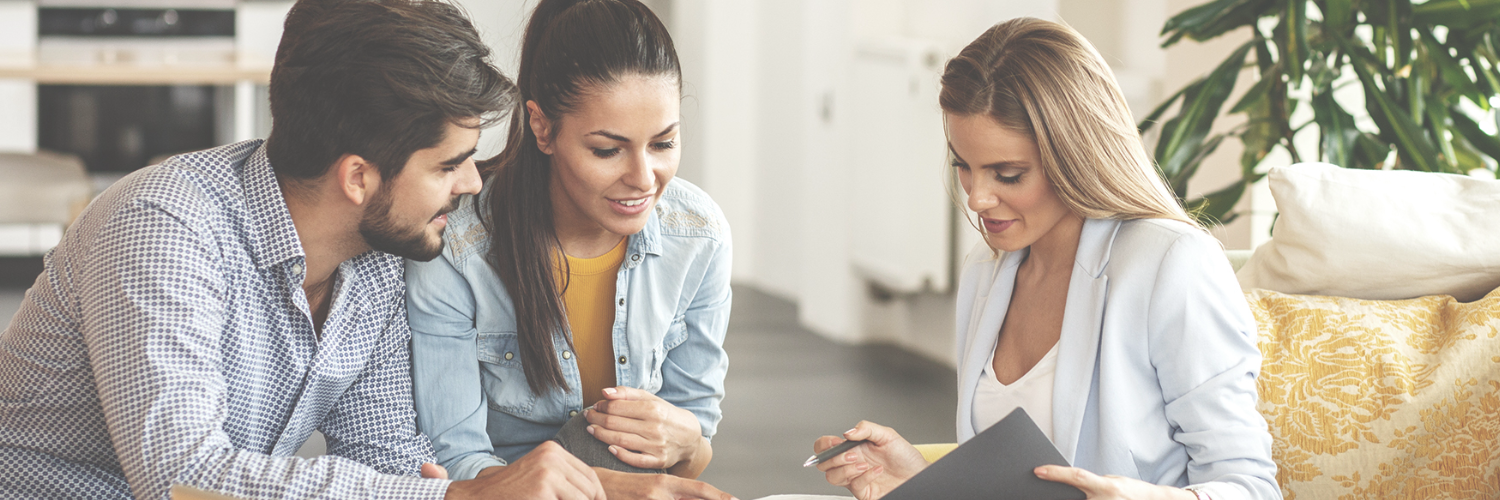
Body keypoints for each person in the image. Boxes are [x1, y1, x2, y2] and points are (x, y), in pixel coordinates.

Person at [0, 0, 606, 498]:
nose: (472, 184)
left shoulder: (379, 260)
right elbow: (178, 475)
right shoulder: (164, 226)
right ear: (358, 178)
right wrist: (452, 497)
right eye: (449, 165)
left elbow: (387, 456)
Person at [813, 18, 1280, 500]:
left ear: (1077, 156)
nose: (977, 199)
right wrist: (919, 479)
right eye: (964, 166)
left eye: (1008, 174)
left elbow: (1252, 488)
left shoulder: (1171, 264)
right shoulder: (987, 270)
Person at [405, 0, 734, 499]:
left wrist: (688, 444)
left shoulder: (699, 235)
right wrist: (606, 485)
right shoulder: (456, 245)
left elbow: (693, 447)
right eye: (608, 150)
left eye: (663, 143)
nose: (644, 180)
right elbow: (455, 460)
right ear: (542, 127)